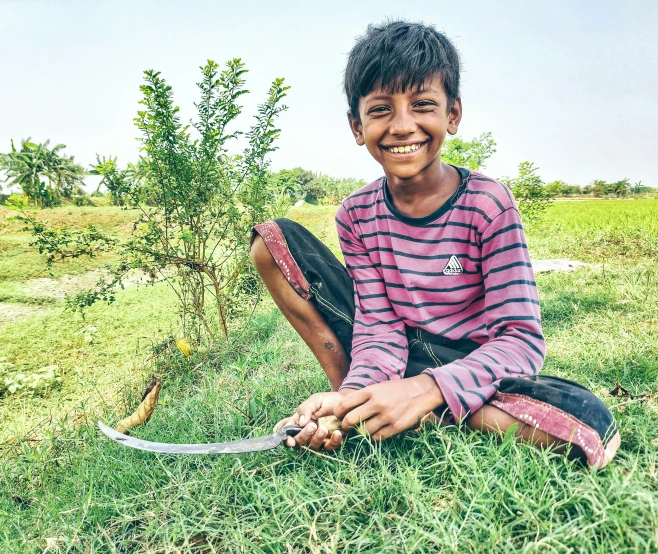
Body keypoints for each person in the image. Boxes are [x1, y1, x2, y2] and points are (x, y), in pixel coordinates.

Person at [250, 21, 619, 468]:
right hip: (395, 354)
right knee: (272, 242)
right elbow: (380, 327)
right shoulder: (355, 214)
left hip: (473, 362)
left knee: (590, 423)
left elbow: (519, 339)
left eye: (422, 105)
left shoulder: (488, 203)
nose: (402, 126)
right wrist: (350, 393)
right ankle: (353, 405)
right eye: (381, 109)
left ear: (453, 115)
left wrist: (424, 389)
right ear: (356, 125)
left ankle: (415, 407)